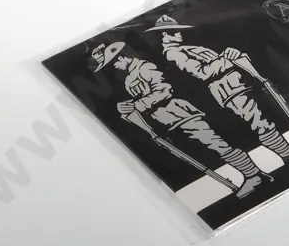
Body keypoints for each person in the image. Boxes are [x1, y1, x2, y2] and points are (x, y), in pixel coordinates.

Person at [91, 41, 266, 198]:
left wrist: (138, 104)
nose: (115, 67)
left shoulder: (145, 68)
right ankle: (249, 175)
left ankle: (253, 175)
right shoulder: (129, 79)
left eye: (114, 62)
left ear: (122, 57)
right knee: (205, 152)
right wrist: (131, 109)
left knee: (217, 144)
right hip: (165, 121)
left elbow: (164, 90)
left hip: (182, 114)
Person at [147, 16, 289, 166]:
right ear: (165, 35)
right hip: (225, 89)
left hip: (233, 84)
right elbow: (203, 72)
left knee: (262, 119)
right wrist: (225, 58)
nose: (179, 33)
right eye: (174, 31)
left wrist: (227, 58)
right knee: (259, 122)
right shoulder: (174, 53)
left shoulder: (185, 49)